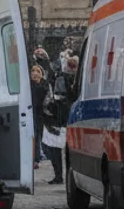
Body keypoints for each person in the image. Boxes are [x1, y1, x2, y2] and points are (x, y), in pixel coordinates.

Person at [43, 55, 79, 185]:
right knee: (58, 148)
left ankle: (61, 175)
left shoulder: (62, 78)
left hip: (61, 118)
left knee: (56, 148)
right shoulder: (67, 78)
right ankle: (64, 176)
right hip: (68, 117)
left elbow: (58, 98)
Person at [29, 65, 50, 171]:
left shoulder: (44, 85)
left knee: (39, 136)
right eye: (33, 71)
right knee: (34, 136)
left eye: (37, 71)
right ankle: (35, 159)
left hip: (40, 115)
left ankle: (37, 158)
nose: (35, 73)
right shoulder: (28, 85)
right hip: (30, 113)